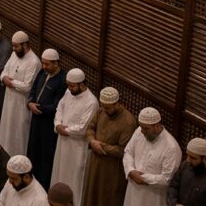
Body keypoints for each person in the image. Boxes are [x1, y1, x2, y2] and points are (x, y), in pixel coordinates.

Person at [49, 69, 99, 206]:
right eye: (68, 85)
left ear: (82, 84)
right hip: (63, 142)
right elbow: (60, 108)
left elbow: (84, 128)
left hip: (77, 147)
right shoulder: (68, 92)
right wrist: (58, 124)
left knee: (75, 178)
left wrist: (66, 130)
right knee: (59, 171)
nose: (69, 88)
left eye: (72, 85)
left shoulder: (91, 102)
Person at [81, 87, 136, 206]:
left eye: (108, 107)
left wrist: (101, 147)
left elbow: (123, 150)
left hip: (112, 170)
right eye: (103, 106)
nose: (105, 110)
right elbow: (90, 128)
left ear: (117, 104)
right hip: (95, 164)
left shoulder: (128, 122)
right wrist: (92, 141)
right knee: (92, 195)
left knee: (108, 198)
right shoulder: (101, 111)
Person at [24, 49, 66, 189]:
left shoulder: (62, 80)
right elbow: (34, 88)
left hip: (48, 123)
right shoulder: (43, 72)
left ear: (56, 63)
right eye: (43, 63)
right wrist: (30, 102)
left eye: (47, 64)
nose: (44, 67)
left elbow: (58, 105)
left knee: (45, 154)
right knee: (33, 150)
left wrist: (40, 108)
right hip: (36, 119)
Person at [122, 107, 181, 206]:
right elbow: (128, 152)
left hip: (153, 197)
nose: (142, 131)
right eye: (141, 127)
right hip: (133, 191)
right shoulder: (139, 132)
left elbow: (166, 179)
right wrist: (131, 171)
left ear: (157, 126)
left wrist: (143, 178)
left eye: (146, 128)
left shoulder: (171, 147)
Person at [0, 32, 40, 158]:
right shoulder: (14, 54)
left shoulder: (34, 61)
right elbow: (4, 72)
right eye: (13, 46)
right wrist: (5, 79)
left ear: (25, 45)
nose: (14, 49)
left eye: (16, 46)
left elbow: (27, 86)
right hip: (9, 100)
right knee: (6, 129)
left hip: (21, 104)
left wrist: (10, 82)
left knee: (19, 133)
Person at [167, 137, 206, 206]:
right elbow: (173, 186)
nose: (188, 160)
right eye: (188, 156)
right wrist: (174, 204)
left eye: (193, 158)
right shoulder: (185, 165)